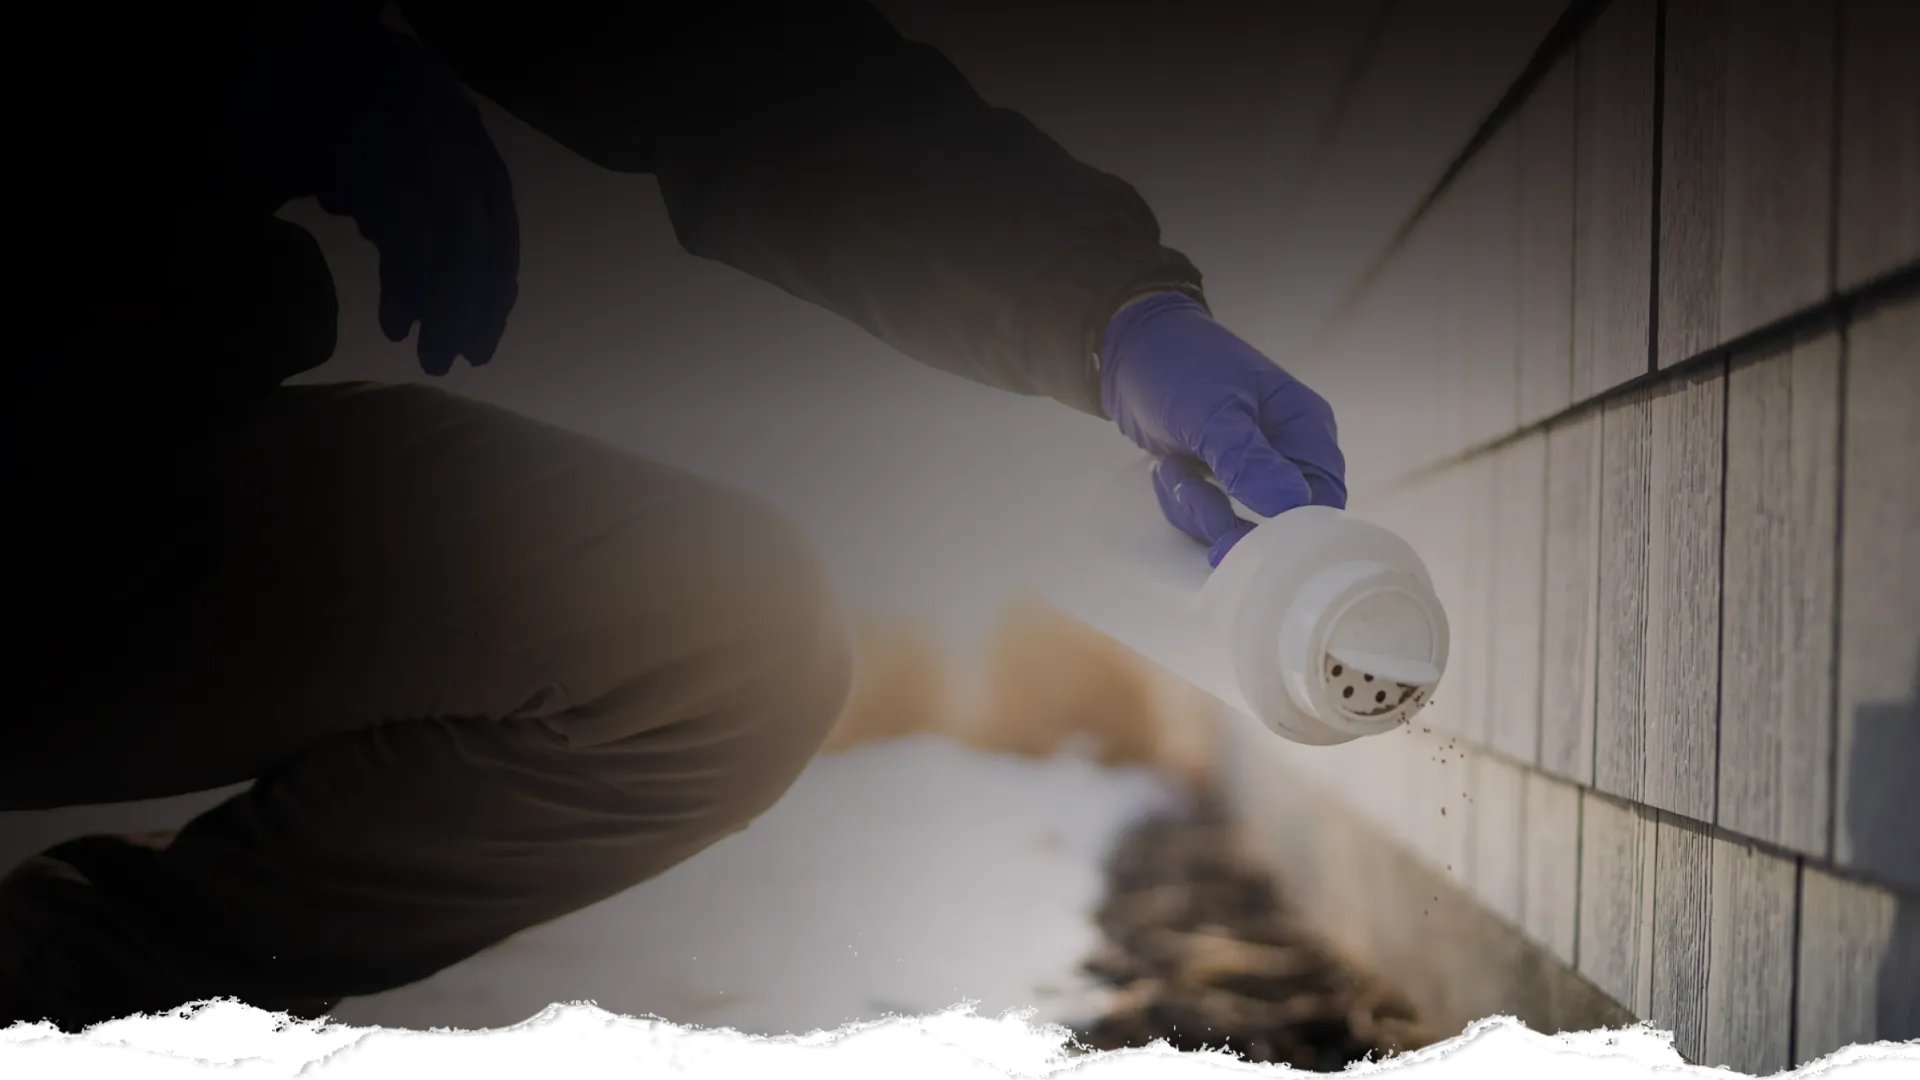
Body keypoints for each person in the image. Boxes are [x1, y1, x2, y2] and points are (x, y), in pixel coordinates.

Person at [1, 0, 1345, 1027]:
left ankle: (60, 998)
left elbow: (735, 62)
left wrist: (1107, 306)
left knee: (716, 635)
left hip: (121, 461)